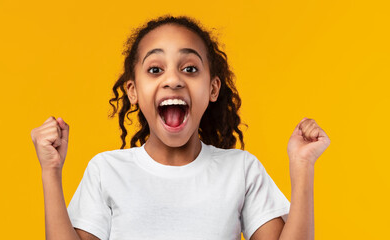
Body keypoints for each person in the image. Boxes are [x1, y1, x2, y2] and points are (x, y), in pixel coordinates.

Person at [31, 15, 330, 240]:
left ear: (213, 89)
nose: (173, 79)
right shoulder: (106, 170)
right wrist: (51, 172)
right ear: (133, 91)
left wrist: (303, 167)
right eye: (155, 69)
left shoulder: (241, 170)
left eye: (189, 69)